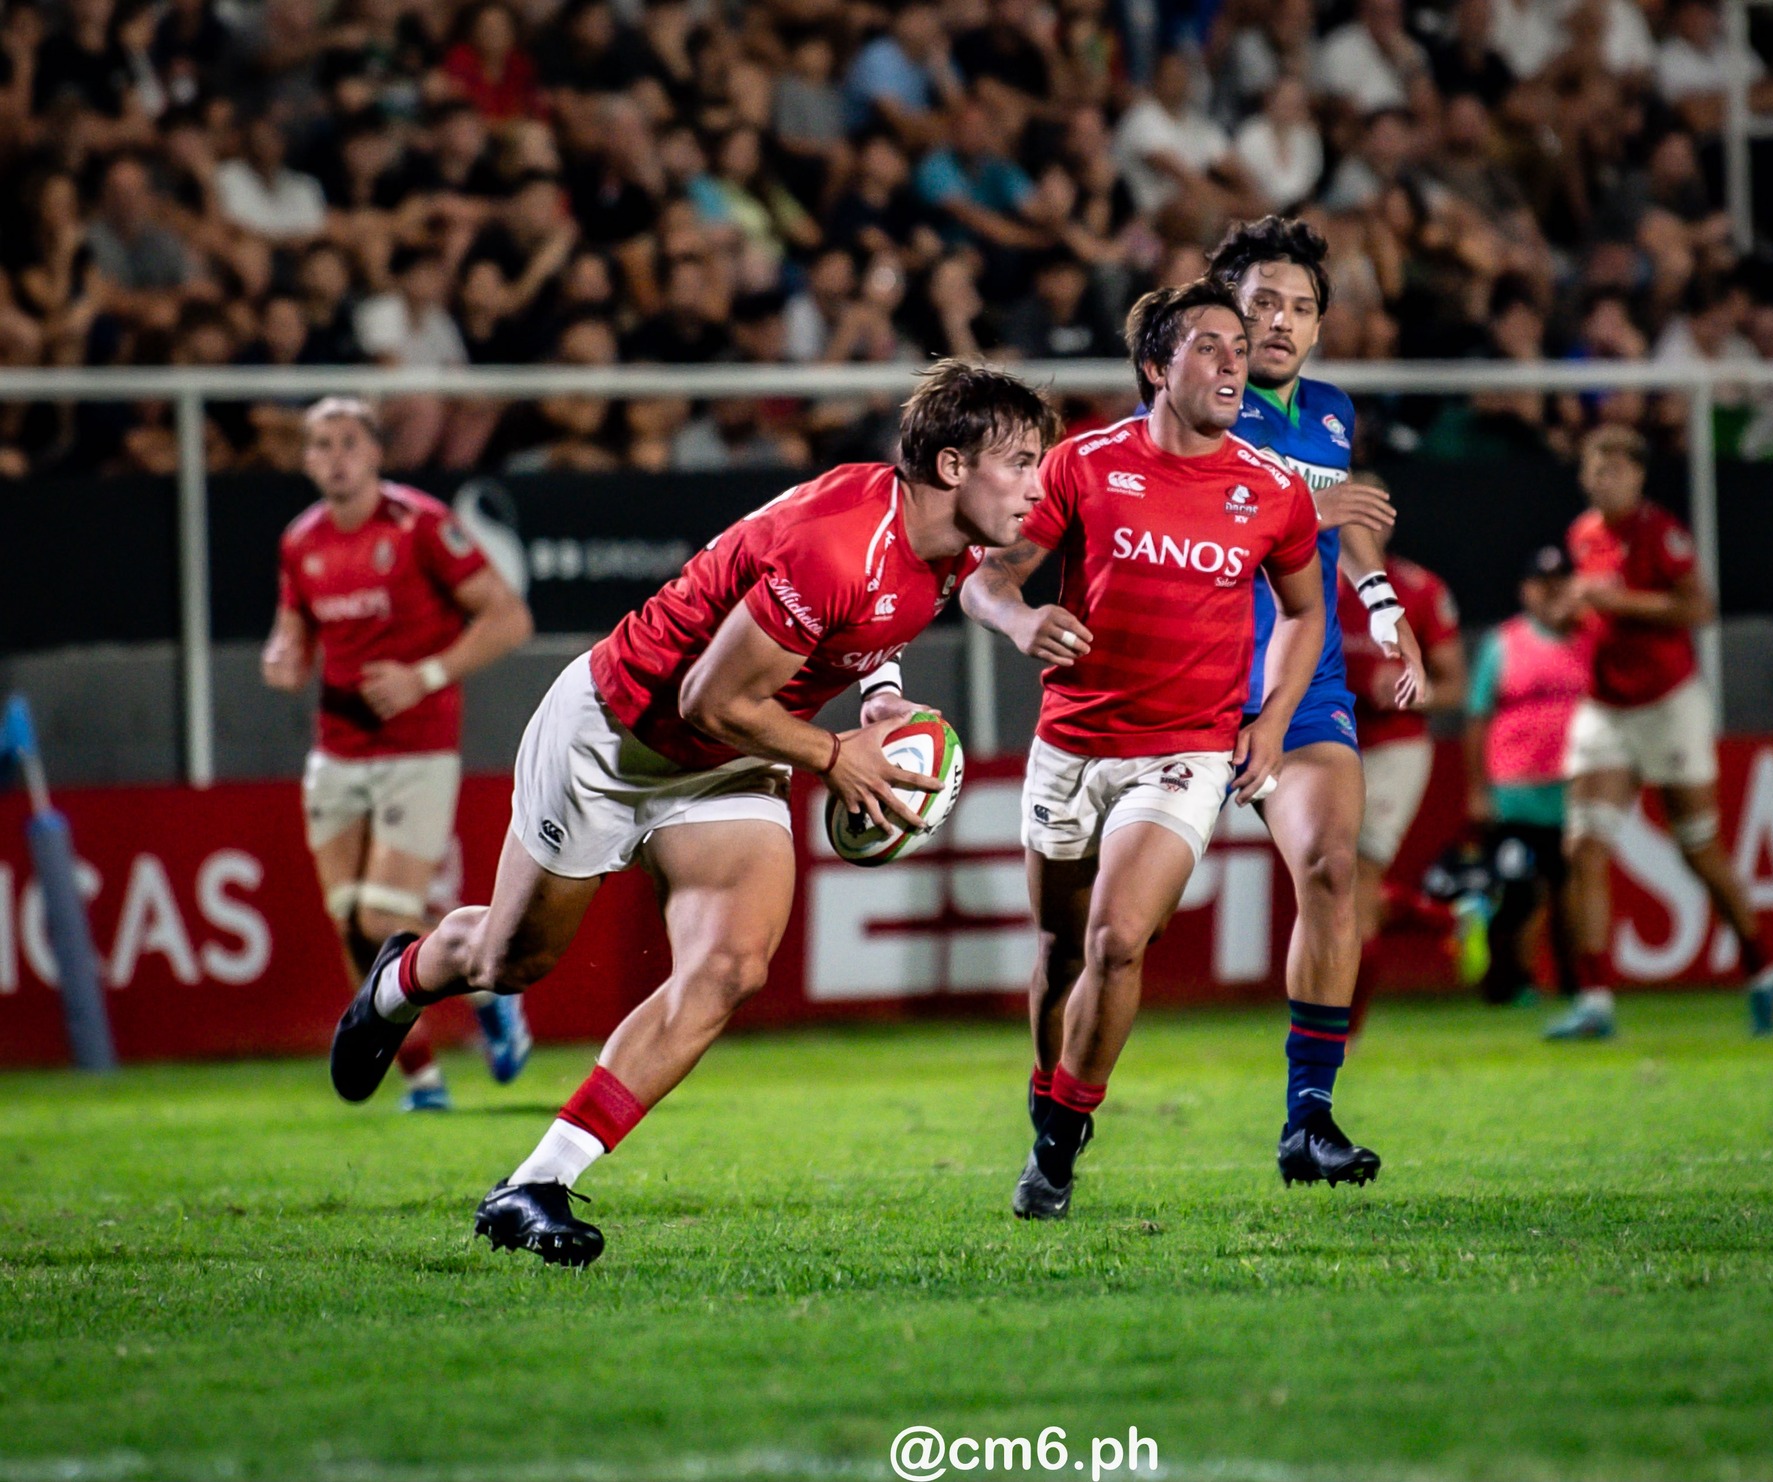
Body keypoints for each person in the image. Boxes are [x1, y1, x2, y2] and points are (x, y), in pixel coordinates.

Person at [326, 361, 1059, 1266]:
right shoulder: (834, 545)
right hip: (616, 737)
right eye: (1020, 463)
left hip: (732, 761)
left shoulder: (946, 537)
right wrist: (836, 757)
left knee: (730, 967)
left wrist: (880, 697)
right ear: (951, 467)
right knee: (511, 961)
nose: (1037, 486)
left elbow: (871, 624)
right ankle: (400, 982)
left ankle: (536, 1183)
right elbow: (710, 698)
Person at [961, 280, 1326, 1221]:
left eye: (1240, 346)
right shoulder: (1084, 463)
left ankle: (1057, 1145)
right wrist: (1020, 619)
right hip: (1072, 743)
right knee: (1060, 950)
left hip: (1187, 752)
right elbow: (986, 580)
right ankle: (1052, 1101)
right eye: (1209, 345)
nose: (1235, 361)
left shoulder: (1273, 488)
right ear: (1157, 368)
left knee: (1117, 940)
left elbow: (1304, 612)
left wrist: (1272, 718)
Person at [1204, 215, 1426, 1187]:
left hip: (1302, 688)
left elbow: (1344, 521)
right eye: (1263, 304)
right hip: (1188, 683)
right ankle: (1058, 1119)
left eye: (1300, 307)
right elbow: (1198, 511)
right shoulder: (1194, 400)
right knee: (1116, 932)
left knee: (1333, 871)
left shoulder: (1331, 410)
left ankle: (1309, 1119)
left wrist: (1384, 606)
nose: (1282, 322)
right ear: (1227, 315)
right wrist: (1305, 507)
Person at [262, 398, 536, 1110]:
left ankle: (487, 993)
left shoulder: (421, 525)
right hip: (336, 748)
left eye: (349, 442)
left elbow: (509, 617)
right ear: (306, 459)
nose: (336, 457)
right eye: (321, 445)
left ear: (376, 452)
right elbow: (293, 632)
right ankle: (422, 1080)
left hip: (418, 746)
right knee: (350, 920)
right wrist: (284, 657)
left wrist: (424, 675)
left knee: (383, 918)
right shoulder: (301, 540)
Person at [1549, 425, 1773, 1041]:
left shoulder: (1662, 534)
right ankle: (1595, 1001)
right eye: (1596, 469)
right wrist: (1570, 611)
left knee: (1698, 849)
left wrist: (1618, 601)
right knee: (1583, 847)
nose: (1605, 479)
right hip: (1605, 705)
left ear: (1639, 476)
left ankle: (1762, 970)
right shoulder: (1582, 534)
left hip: (1668, 704)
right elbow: (1590, 613)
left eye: (1616, 469)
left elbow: (1700, 608)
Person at [1463, 545, 1591, 1006]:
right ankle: (1511, 982)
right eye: (1543, 585)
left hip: (1573, 789)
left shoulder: (1589, 639)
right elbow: (1478, 718)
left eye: (1560, 583)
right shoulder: (1504, 643)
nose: (1552, 593)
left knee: (1571, 889)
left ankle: (1578, 980)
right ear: (1525, 591)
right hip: (1515, 792)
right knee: (1518, 892)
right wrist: (1478, 789)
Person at [1337, 548, 1467, 996]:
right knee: (1329, 880)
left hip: (1394, 748)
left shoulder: (1419, 589)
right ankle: (1445, 917)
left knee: (1358, 882)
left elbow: (1453, 687)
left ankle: (1344, 1025)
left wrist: (1408, 691)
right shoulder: (1308, 578)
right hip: (1326, 746)